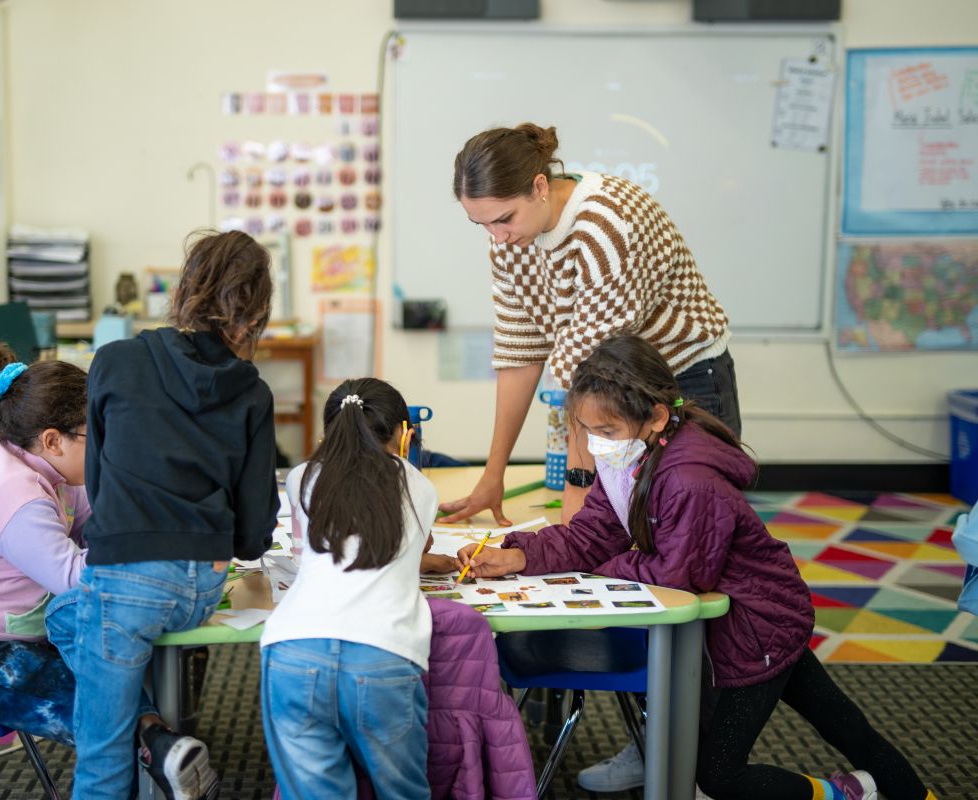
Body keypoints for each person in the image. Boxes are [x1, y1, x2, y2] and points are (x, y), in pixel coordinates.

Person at [458, 335, 935, 800]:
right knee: (847, 727)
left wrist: (608, 565)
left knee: (720, 775)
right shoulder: (632, 456)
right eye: (587, 429)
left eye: (606, 432)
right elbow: (593, 535)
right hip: (749, 621)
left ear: (656, 417)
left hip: (758, 628)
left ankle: (842, 794)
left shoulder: (690, 479)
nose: (596, 444)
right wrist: (520, 555)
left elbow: (678, 575)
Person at [45, 230, 280, 800]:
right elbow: (253, 536)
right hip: (201, 584)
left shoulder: (113, 361)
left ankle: (149, 731)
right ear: (254, 312)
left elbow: (98, 483)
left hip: (125, 577)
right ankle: (158, 736)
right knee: (72, 616)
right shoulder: (253, 391)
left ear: (184, 288)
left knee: (101, 755)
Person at [0, 345, 189, 788]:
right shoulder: (12, 493)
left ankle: (158, 743)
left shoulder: (49, 469)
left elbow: (101, 517)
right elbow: (74, 579)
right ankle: (155, 746)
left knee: (112, 671)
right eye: (97, 435)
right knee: (103, 707)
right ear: (53, 440)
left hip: (7, 639)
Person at [441, 122, 741, 530]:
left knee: (697, 526)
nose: (497, 237)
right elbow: (519, 350)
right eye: (483, 224)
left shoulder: (609, 223)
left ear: (540, 186)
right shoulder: (510, 241)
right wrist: (493, 476)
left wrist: (577, 487)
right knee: (630, 530)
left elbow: (590, 372)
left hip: (684, 377)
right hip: (609, 390)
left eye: (504, 219)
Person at [260, 378, 438, 799]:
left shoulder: (301, 477)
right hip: (382, 650)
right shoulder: (418, 485)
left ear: (329, 433)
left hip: (294, 647)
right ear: (406, 434)